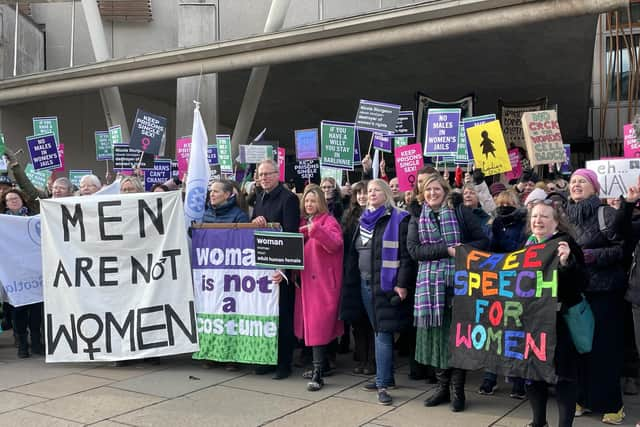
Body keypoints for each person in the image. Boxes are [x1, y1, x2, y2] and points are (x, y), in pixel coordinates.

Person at [407, 173, 488, 412]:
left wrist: (461, 250)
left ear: (445, 190)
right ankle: (442, 387)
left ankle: (457, 389)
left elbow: (483, 241)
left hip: (458, 284)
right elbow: (415, 251)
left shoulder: (461, 212)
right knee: (437, 338)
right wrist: (447, 250)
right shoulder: (416, 217)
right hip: (429, 288)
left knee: (456, 338)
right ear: (422, 193)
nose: (432, 193)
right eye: (428, 190)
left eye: (436, 189)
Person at [341, 179, 413, 405]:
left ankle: (382, 384)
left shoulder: (399, 218)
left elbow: (406, 256)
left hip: (386, 285)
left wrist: (401, 284)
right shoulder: (363, 219)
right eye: (368, 190)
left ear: (386, 193)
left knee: (382, 333)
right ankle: (386, 376)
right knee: (378, 330)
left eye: (376, 190)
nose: (371, 193)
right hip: (364, 284)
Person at [566, 169, 627, 425]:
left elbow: (622, 248)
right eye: (573, 181)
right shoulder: (564, 216)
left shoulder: (606, 214)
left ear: (594, 188)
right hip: (576, 291)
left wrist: (591, 257)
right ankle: (582, 399)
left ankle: (613, 404)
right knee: (578, 348)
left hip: (604, 292)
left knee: (603, 349)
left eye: (582, 181)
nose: (576, 185)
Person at [524, 199, 585, 427]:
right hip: (532, 321)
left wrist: (567, 263)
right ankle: (538, 421)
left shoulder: (566, 244)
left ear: (556, 221)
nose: (538, 221)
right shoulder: (527, 245)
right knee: (533, 374)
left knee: (564, 377)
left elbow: (581, 283)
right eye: (535, 216)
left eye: (544, 216)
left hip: (560, 320)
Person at [251, 159, 301, 380]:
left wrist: (283, 269)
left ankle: (284, 363)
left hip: (281, 267)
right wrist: (257, 221)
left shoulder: (288, 198)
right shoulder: (259, 197)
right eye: (260, 174)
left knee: (283, 316)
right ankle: (268, 359)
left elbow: (291, 233)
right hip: (263, 265)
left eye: (267, 174)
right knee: (267, 314)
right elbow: (255, 226)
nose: (263, 178)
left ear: (277, 174)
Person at [295, 185, 344, 391]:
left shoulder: (328, 221)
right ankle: (320, 366)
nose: (309, 204)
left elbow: (335, 244)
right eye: (306, 201)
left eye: (313, 201)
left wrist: (315, 231)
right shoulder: (303, 222)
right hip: (306, 284)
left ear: (321, 202)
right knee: (313, 327)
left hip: (323, 285)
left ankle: (318, 372)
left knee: (318, 327)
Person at [1, 188, 41, 357]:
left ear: (22, 199)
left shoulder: (33, 217)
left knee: (37, 308)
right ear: (6, 203)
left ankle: (37, 342)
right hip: (14, 273)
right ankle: (22, 343)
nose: (13, 201)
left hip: (34, 270)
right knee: (19, 308)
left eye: (15, 198)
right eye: (9, 199)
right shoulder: (3, 221)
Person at [341, 181, 375, 376]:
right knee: (358, 321)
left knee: (371, 322)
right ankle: (362, 358)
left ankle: (372, 360)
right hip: (352, 272)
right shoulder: (348, 216)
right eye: (358, 193)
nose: (362, 196)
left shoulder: (375, 216)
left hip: (369, 274)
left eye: (365, 193)